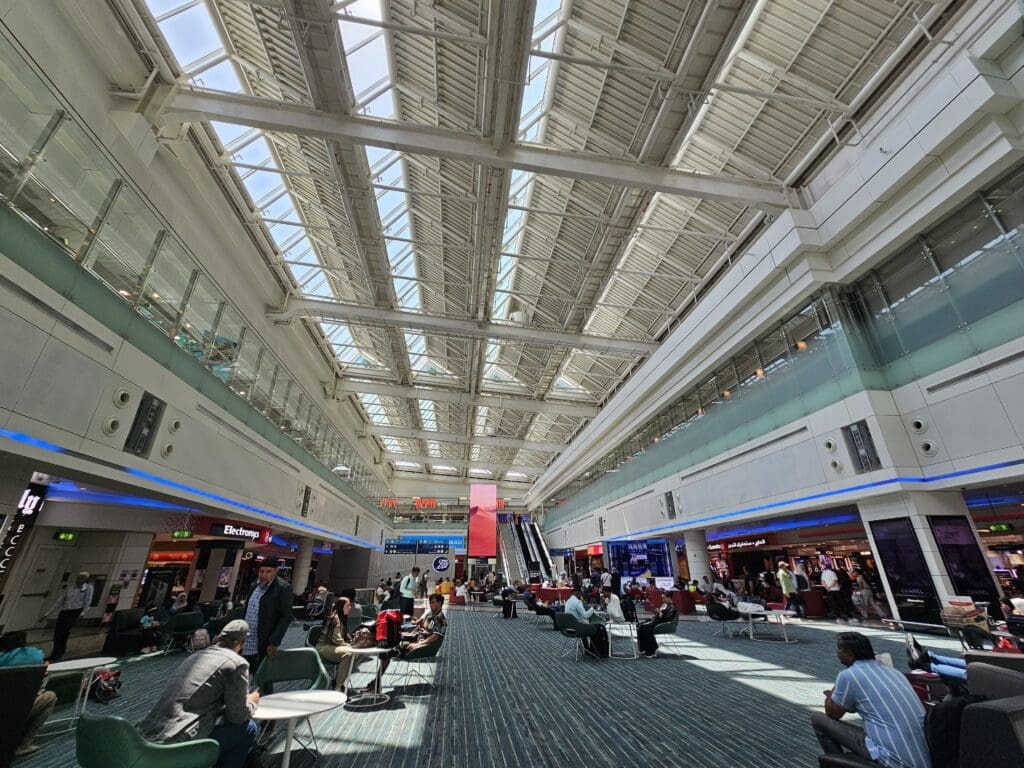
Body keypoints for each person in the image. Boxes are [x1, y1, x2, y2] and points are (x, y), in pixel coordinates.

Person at [138, 620, 259, 768]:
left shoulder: (195, 656)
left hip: (148, 733)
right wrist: (251, 701)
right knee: (248, 728)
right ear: (242, 643)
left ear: (219, 637)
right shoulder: (237, 663)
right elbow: (237, 716)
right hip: (180, 741)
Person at [812, 632, 930, 768]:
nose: (837, 653)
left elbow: (832, 713)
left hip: (893, 760)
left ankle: (835, 764)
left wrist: (831, 695)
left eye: (839, 650)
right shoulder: (895, 673)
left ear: (849, 654)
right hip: (924, 759)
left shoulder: (848, 675)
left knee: (817, 719)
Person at [364, 594, 447, 692]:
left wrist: (418, 644)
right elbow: (429, 630)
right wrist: (420, 627)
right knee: (390, 644)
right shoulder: (432, 616)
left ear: (440, 603)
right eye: (430, 602)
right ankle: (376, 683)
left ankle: (376, 684)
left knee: (388, 652)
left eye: (433, 602)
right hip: (418, 640)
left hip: (423, 647)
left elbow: (435, 637)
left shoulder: (440, 619)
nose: (430, 605)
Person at [0, 630, 57, 757]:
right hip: (14, 708)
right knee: (50, 697)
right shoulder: (32, 653)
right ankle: (24, 744)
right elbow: (42, 661)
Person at [241, 562, 293, 675]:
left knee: (262, 678)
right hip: (245, 640)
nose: (264, 575)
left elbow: (286, 617)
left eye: (268, 571)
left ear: (275, 571)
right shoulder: (253, 585)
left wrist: (273, 642)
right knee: (240, 676)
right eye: (261, 571)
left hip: (263, 642)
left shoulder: (283, 588)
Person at [43, 571, 94, 661]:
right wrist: (47, 613)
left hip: (75, 612)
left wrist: (83, 613)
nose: (79, 579)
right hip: (64, 611)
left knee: (64, 632)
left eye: (82, 578)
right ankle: (55, 652)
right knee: (57, 632)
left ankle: (60, 652)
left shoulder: (88, 588)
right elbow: (59, 601)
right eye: (78, 577)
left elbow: (87, 602)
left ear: (86, 580)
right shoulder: (70, 588)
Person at [316, 597, 360, 692]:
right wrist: (349, 646)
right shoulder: (334, 618)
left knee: (358, 653)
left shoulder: (340, 617)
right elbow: (335, 639)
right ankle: (338, 687)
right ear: (341, 607)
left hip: (333, 646)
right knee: (349, 653)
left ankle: (339, 681)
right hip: (324, 647)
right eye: (347, 605)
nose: (350, 608)